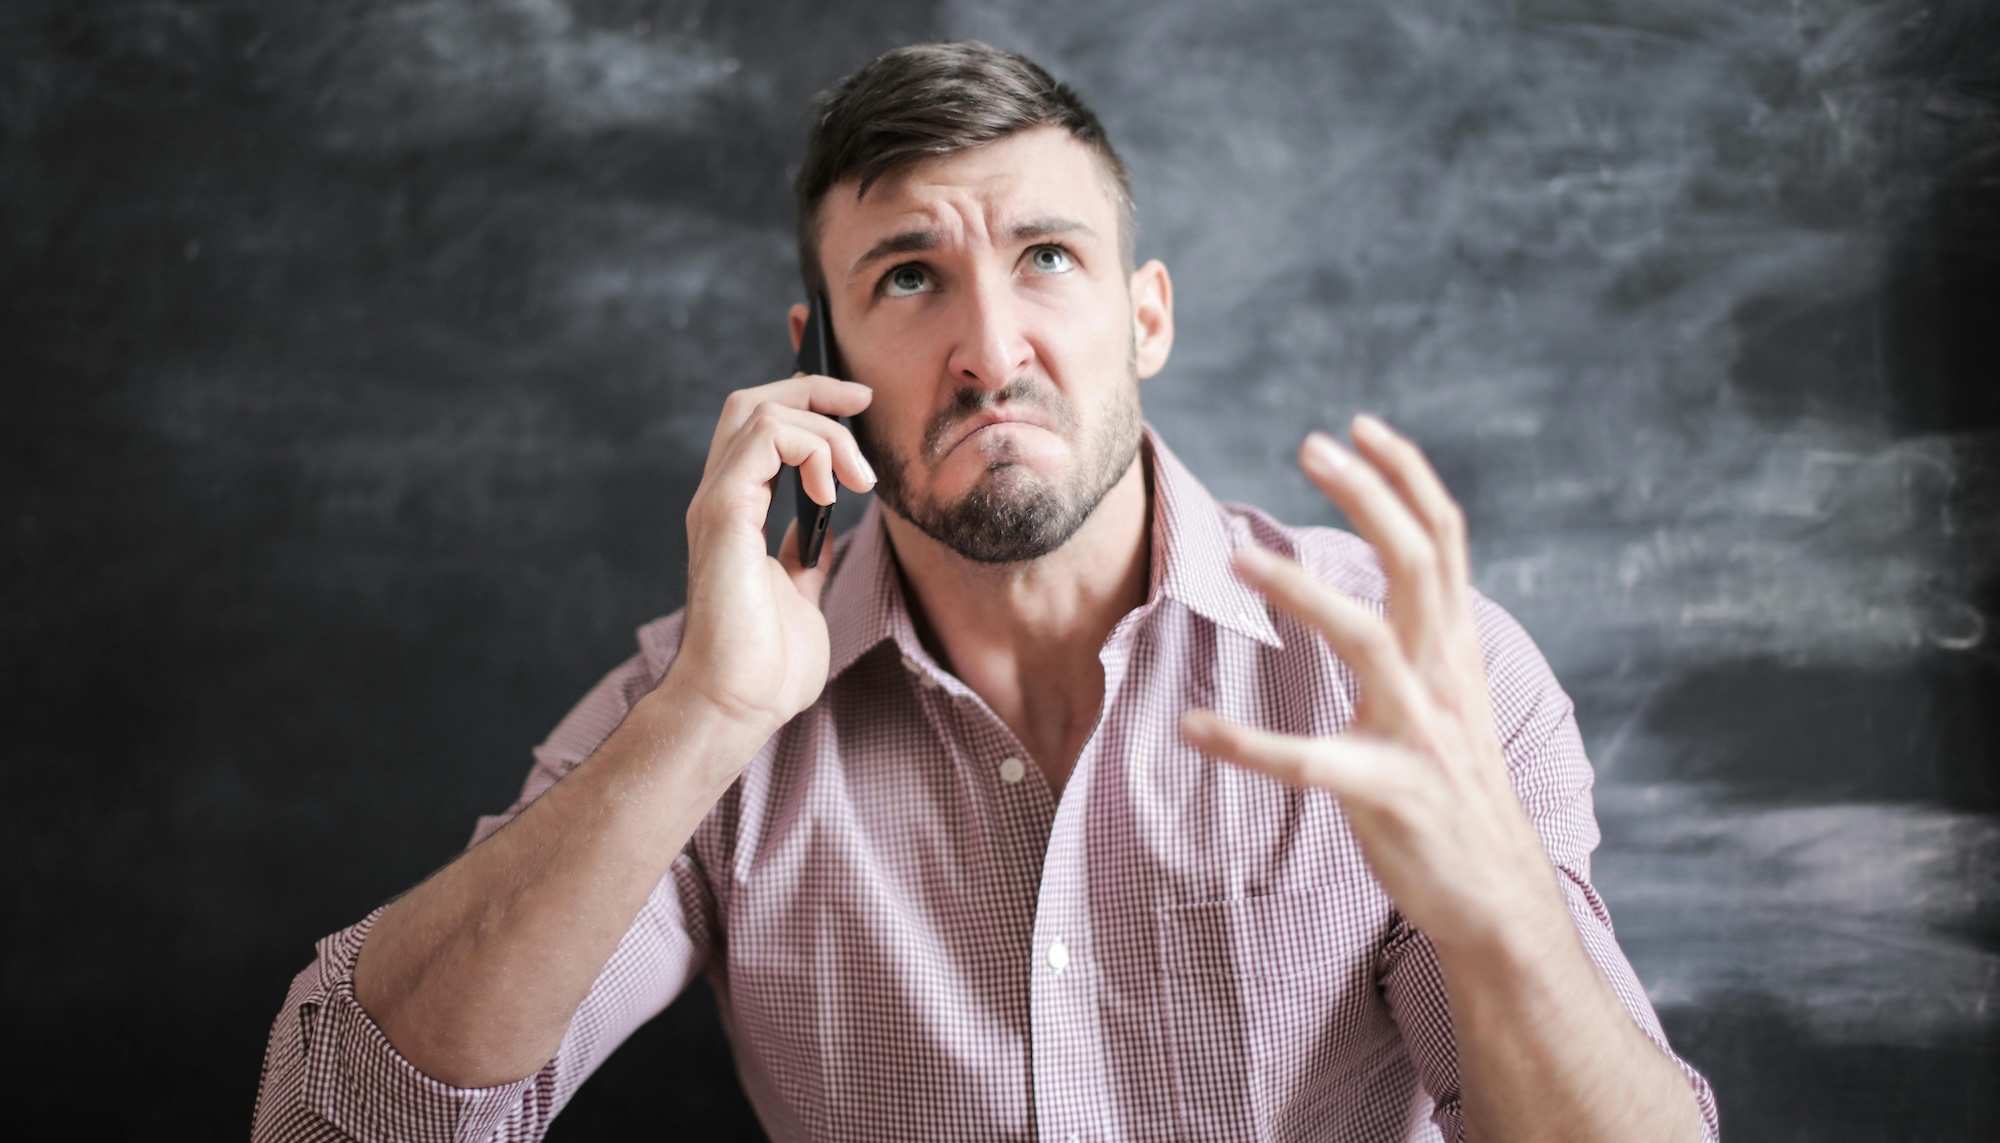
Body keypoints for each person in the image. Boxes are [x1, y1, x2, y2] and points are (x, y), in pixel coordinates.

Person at [252, 41, 1718, 1143]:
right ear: (810, 351)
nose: (990, 348)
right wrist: (704, 716)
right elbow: (337, 1123)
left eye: (1049, 258)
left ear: (1144, 318)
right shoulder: (710, 702)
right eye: (907, 278)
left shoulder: (1405, 673)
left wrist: (1503, 918)